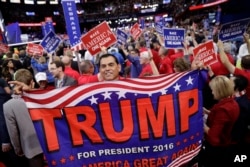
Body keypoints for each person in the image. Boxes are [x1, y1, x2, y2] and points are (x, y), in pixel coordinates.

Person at [3, 69, 44, 167]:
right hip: (53, 142)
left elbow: (13, 132)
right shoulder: (44, 97)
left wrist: (18, 149)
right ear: (32, 82)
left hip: (31, 147)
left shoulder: (8, 106)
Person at [201, 75, 240, 167]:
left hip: (216, 150)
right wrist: (207, 112)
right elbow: (221, 120)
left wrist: (200, 123)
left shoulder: (223, 109)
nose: (212, 92)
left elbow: (212, 136)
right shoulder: (233, 103)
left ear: (219, 91)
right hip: (226, 144)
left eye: (213, 90)